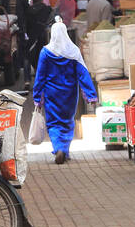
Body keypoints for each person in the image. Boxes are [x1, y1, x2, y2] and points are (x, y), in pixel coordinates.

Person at [32, 21, 98, 165]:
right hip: (69, 94)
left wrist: (37, 96)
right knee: (67, 122)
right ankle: (64, 150)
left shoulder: (45, 52)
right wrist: (91, 94)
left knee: (53, 123)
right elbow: (83, 74)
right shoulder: (73, 51)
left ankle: (58, 148)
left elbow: (40, 76)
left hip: (51, 94)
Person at [0, 0, 29, 83]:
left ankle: (18, 68)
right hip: (6, 27)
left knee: (20, 47)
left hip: (19, 25)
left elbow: (26, 9)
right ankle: (13, 69)